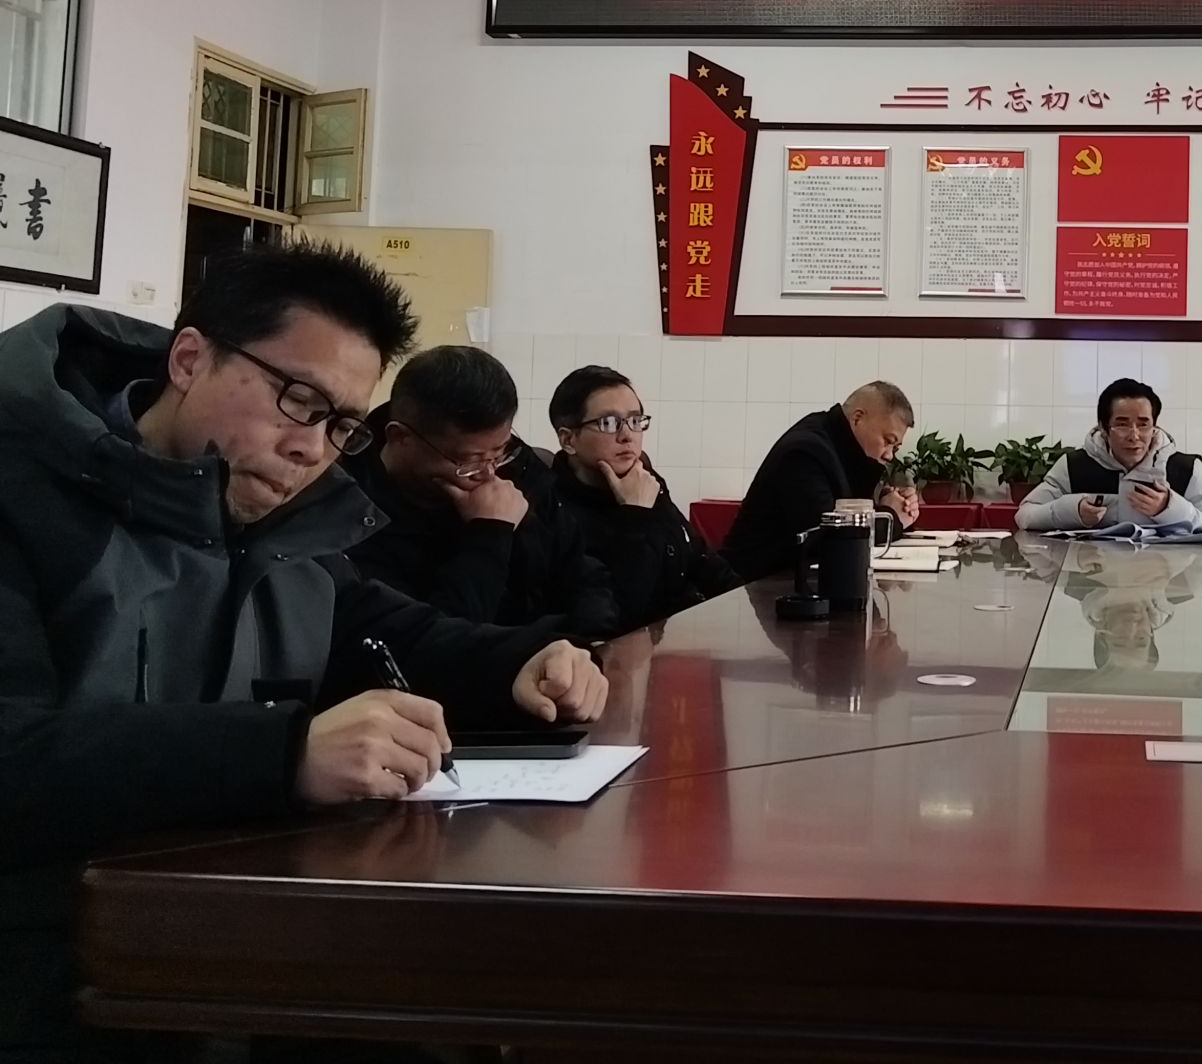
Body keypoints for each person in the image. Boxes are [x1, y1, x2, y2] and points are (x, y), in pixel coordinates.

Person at [0, 244, 607, 1062]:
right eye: (297, 401)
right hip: (55, 973)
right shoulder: (23, 488)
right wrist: (284, 752)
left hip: (230, 943)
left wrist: (516, 666)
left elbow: (378, 627)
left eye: (340, 425)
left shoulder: (279, 518)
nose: (312, 448)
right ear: (190, 359)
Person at [344, 345, 619, 636]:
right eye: (468, 460)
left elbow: (585, 577)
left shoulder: (516, 468)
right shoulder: (350, 514)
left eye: (500, 451)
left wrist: (588, 641)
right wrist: (490, 534)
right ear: (401, 438)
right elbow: (427, 642)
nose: (489, 473)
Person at [542, 365, 738, 629]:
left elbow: (699, 559)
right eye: (608, 423)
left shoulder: (643, 477)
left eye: (635, 421)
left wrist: (744, 607)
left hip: (683, 633)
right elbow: (616, 615)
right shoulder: (552, 509)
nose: (627, 436)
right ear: (568, 440)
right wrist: (635, 514)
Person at [721, 382, 922, 582]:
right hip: (750, 585)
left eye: (895, 448)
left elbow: (848, 514)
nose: (889, 455)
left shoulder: (838, 447)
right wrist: (891, 517)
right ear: (857, 418)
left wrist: (890, 504)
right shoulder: (804, 451)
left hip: (792, 580)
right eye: (888, 441)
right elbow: (829, 535)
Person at [1015, 378, 1202, 532]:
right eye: (1122, 425)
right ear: (1103, 428)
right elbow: (1025, 515)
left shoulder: (1187, 469)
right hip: (1092, 576)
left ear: (1155, 426)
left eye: (1143, 425)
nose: (1134, 436)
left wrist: (1169, 508)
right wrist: (1073, 511)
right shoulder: (1074, 465)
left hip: (1166, 578)